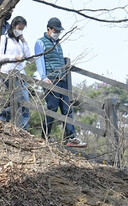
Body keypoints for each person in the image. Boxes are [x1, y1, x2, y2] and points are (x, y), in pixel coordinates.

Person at [34, 18, 85, 147]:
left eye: (58, 31)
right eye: (55, 30)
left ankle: (71, 137)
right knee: (52, 108)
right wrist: (44, 77)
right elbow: (39, 60)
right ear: (48, 29)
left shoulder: (58, 44)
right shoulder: (41, 42)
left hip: (62, 80)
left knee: (67, 108)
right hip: (51, 80)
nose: (57, 33)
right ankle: (45, 136)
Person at [0, 16, 33, 129]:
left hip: (21, 73)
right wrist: (14, 57)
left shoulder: (20, 42)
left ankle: (22, 127)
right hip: (8, 71)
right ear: (13, 26)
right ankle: (3, 118)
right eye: (19, 28)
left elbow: (28, 56)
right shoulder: (5, 38)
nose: (20, 31)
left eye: (22, 29)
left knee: (25, 101)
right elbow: (0, 57)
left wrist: (23, 40)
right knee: (18, 99)